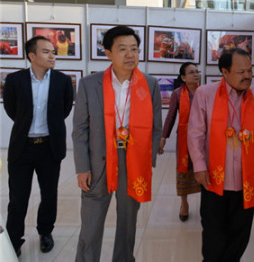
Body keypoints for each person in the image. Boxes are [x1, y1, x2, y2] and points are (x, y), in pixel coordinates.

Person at [72, 26, 162, 262]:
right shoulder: (89, 84)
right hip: (98, 160)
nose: (130, 54)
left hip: (132, 162)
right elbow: (80, 129)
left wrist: (146, 161)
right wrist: (82, 167)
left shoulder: (149, 84)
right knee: (90, 225)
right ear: (108, 53)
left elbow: (156, 128)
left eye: (134, 49)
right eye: (122, 49)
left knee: (128, 221)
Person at [188, 48, 254, 262]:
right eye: (240, 72)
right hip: (214, 179)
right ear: (224, 72)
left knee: (240, 235)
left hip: (247, 179)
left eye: (249, 70)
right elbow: (195, 133)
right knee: (213, 234)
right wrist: (199, 166)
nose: (247, 76)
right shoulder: (205, 94)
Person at [3, 36, 73, 257]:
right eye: (46, 52)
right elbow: (13, 110)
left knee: (49, 194)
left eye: (53, 52)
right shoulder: (14, 80)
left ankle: (45, 232)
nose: (52, 55)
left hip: (49, 147)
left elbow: (63, 111)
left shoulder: (63, 81)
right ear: (32, 55)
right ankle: (14, 241)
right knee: (18, 198)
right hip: (22, 147)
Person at [158, 62, 201, 221]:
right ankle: (184, 203)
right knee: (183, 169)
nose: (196, 75)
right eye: (191, 72)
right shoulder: (177, 93)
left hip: (203, 138)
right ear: (183, 77)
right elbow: (170, 117)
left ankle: (206, 204)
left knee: (203, 168)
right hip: (184, 138)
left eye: (197, 72)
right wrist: (163, 137)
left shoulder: (204, 92)